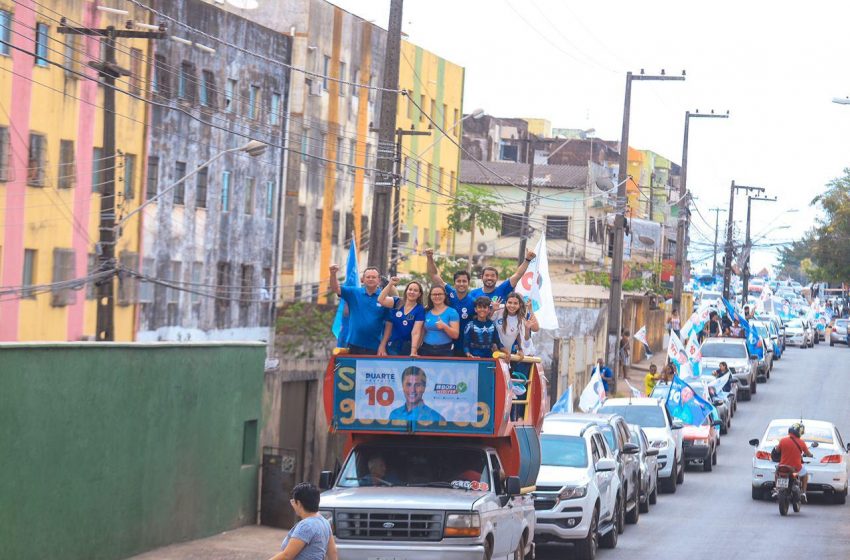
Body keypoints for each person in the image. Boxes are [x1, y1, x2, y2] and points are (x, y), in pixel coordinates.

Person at [425, 249, 475, 357]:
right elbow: (433, 274)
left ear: (468, 283)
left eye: (464, 281)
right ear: (454, 283)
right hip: (445, 342)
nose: (461, 284)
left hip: (464, 344)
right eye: (458, 281)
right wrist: (429, 257)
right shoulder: (448, 291)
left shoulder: (473, 302)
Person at [270, 482, 337, 560]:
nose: (292, 504)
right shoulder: (324, 522)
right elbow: (333, 552)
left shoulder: (306, 525)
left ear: (298, 503)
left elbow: (287, 555)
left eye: (293, 501)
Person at [329, 264, 386, 355]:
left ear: (379, 280)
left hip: (375, 346)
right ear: (363, 279)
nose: (370, 279)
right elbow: (336, 289)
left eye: (373, 277)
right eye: (368, 277)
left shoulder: (384, 298)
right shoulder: (354, 292)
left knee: (370, 370)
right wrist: (332, 274)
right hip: (354, 344)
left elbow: (389, 323)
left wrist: (383, 345)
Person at [468, 248, 537, 305]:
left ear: (497, 278)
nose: (489, 278)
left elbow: (518, 275)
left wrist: (527, 260)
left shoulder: (503, 290)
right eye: (487, 275)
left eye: (492, 276)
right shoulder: (473, 294)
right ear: (481, 277)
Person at [377, 277, 425, 356]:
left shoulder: (419, 309)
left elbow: (416, 332)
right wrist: (390, 284)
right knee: (392, 368)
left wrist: (413, 351)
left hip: (408, 347)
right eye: (410, 289)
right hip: (392, 345)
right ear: (406, 291)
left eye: (415, 290)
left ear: (419, 294)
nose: (412, 292)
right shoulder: (397, 302)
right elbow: (380, 300)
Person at [418, 285, 460, 356]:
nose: (437, 296)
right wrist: (416, 348)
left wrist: (444, 326)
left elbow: (455, 335)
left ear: (445, 296)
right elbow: (421, 332)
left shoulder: (452, 312)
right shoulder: (426, 311)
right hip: (426, 349)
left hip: (445, 350)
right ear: (430, 296)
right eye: (434, 294)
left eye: (440, 294)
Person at [776, 422, 813, 502]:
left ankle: (777, 489)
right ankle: (803, 493)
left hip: (783, 466)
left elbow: (777, 451)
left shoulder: (782, 440)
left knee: (777, 472)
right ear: (799, 432)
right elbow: (807, 453)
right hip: (796, 468)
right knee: (805, 474)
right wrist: (811, 455)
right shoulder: (801, 442)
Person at [491, 293, 527, 360]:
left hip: (507, 356)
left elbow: (519, 335)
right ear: (505, 303)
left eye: (515, 303)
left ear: (519, 305)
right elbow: (487, 320)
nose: (512, 306)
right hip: (493, 353)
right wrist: (493, 310)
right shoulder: (498, 310)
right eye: (509, 302)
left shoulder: (521, 319)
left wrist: (520, 349)